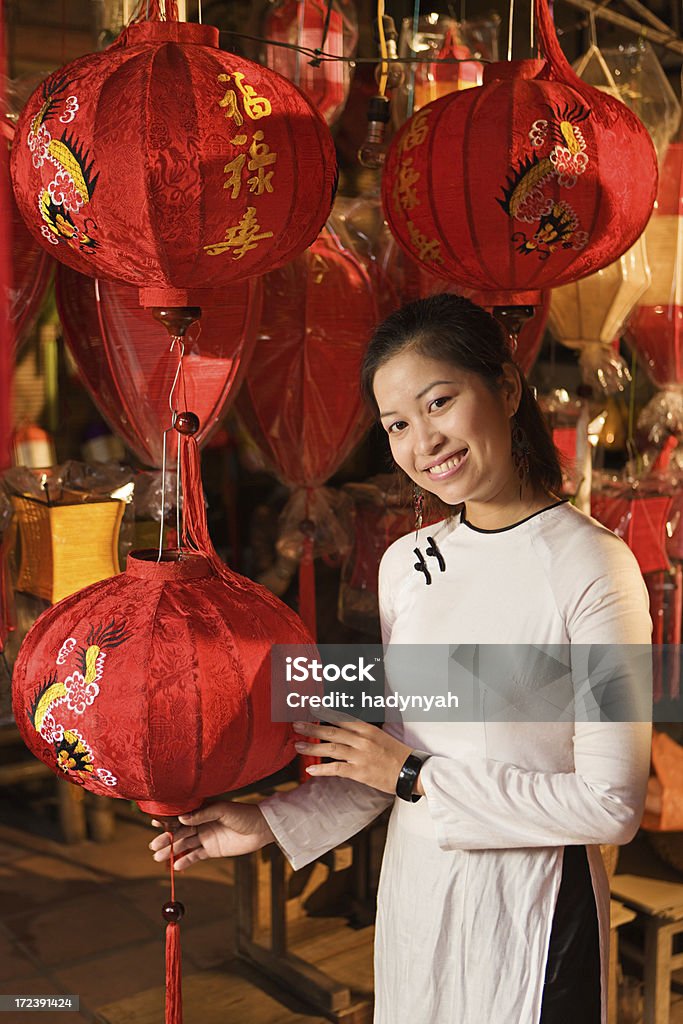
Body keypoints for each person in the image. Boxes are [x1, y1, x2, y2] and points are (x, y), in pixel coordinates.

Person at [150, 294, 652, 1024]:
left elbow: (609, 806)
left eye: (439, 401)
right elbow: (394, 763)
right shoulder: (403, 564)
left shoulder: (594, 567)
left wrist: (411, 773)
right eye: (396, 424)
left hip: (532, 918)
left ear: (506, 389)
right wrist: (270, 822)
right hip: (419, 901)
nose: (424, 441)